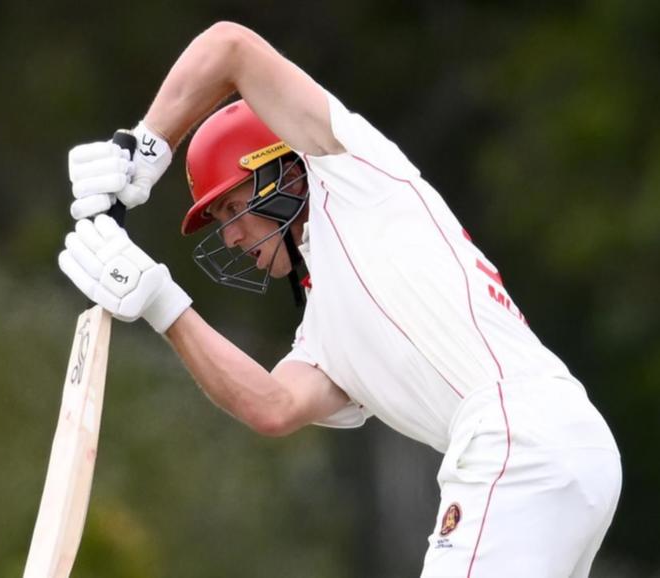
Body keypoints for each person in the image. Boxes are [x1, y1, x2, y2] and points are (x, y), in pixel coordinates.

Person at [59, 21, 621, 577]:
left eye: (232, 209)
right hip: (576, 449)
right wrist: (160, 301)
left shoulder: (353, 175)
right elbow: (272, 406)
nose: (228, 235)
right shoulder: (325, 330)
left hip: (512, 436)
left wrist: (144, 147)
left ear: (283, 171)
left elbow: (229, 46)